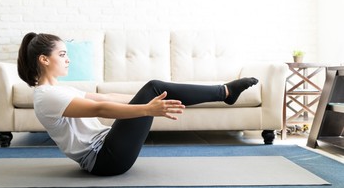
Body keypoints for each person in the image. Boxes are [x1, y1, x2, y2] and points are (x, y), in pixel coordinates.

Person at [17, 32, 258, 176]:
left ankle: (225, 92)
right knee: (153, 86)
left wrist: (145, 100)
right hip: (104, 159)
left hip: (106, 150)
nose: (68, 59)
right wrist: (146, 108)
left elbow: (105, 98)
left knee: (153, 89)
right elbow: (100, 110)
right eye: (62, 55)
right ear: (43, 60)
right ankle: (225, 92)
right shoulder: (47, 96)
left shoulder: (58, 90)